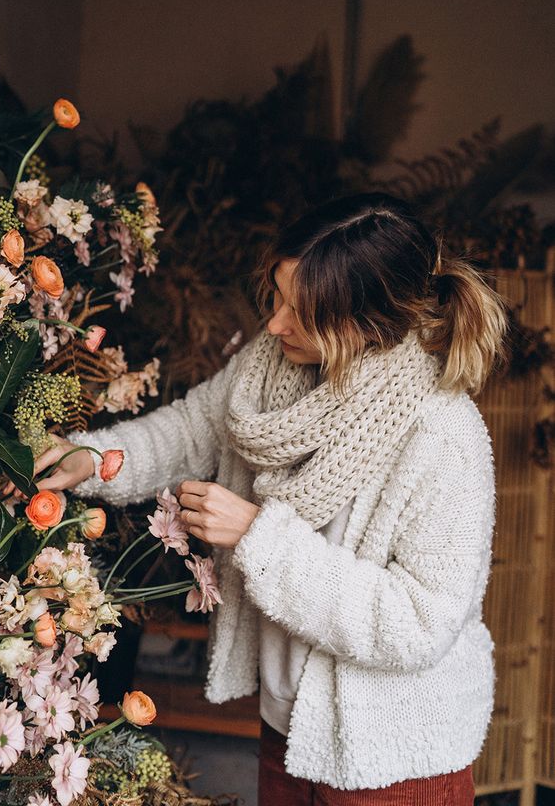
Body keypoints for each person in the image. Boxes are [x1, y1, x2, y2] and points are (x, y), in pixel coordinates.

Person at [33, 193, 506, 806]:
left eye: (302, 311)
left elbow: (419, 626)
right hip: (288, 729)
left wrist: (260, 537)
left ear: (368, 322)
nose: (276, 323)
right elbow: (190, 429)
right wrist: (92, 460)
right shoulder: (267, 369)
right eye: (278, 296)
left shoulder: (442, 437)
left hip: (393, 763)